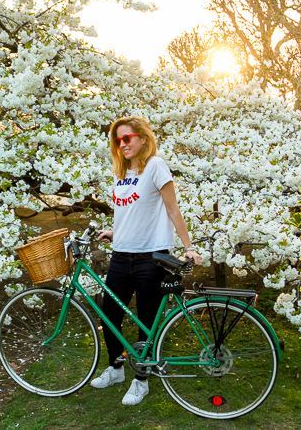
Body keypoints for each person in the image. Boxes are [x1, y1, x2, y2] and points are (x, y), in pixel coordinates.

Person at [92, 115, 202, 406]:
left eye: (127, 138)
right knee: (110, 315)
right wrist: (114, 231)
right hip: (121, 254)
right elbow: (131, 210)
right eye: (118, 140)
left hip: (151, 256)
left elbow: (171, 209)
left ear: (142, 138)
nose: (122, 144)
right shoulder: (122, 170)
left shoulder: (155, 165)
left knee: (147, 320)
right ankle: (116, 368)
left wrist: (188, 247)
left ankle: (142, 380)